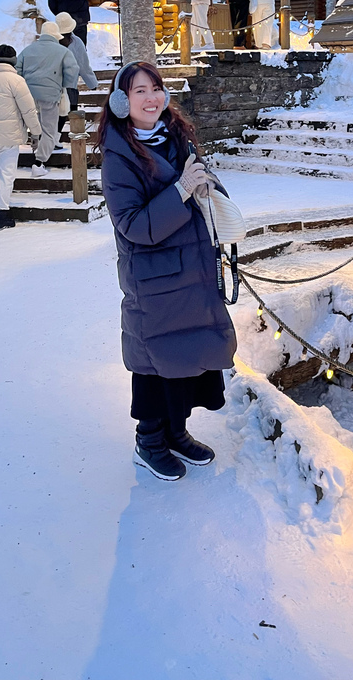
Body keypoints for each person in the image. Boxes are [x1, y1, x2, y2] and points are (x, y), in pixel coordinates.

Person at [99, 61, 237, 481]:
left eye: (156, 88)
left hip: (193, 269)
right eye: (139, 91)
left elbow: (203, 179)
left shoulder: (177, 136)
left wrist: (208, 185)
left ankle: (177, 432)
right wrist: (180, 191)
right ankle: (150, 440)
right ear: (123, 101)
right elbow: (134, 226)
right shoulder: (118, 155)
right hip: (155, 279)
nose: (151, 98)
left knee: (188, 358)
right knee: (155, 361)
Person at [0, 44, 42, 230]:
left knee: (0, 161)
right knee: (8, 174)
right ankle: (0, 214)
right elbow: (28, 110)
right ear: (13, 60)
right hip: (9, 135)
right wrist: (35, 132)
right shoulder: (16, 81)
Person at [15, 21, 79, 177]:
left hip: (28, 96)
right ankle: (39, 163)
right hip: (50, 96)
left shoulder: (27, 50)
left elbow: (17, 70)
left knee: (33, 125)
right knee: (49, 130)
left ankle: (34, 146)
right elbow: (73, 71)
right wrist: (62, 85)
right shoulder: (63, 51)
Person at [54, 11, 97, 147]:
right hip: (69, 85)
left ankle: (53, 138)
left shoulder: (49, 41)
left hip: (51, 84)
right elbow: (83, 65)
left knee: (54, 113)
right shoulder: (76, 42)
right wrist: (92, 83)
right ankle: (75, 140)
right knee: (71, 110)